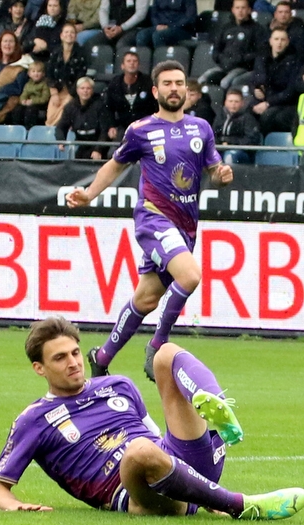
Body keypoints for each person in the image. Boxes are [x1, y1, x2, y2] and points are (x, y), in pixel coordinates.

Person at [0, 316, 304, 520]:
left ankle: (219, 405)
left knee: (164, 355)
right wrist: (14, 506)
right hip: (140, 494)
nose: (73, 363)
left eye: (74, 352)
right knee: (139, 451)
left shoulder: (118, 385)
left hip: (174, 462)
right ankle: (240, 505)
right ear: (39, 368)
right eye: (59, 358)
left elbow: (156, 435)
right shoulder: (34, 419)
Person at [67, 61, 234, 382]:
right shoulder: (141, 130)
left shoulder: (201, 128)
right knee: (191, 275)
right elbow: (114, 166)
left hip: (185, 227)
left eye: (180, 82)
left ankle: (101, 358)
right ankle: (158, 344)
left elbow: (215, 173)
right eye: (168, 83)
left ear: (188, 90)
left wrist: (223, 176)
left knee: (146, 298)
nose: (175, 88)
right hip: (153, 220)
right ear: (156, 91)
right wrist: (89, 194)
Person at [200, 0, 266, 90]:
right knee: (202, 80)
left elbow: (259, 53)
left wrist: (241, 59)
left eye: (243, 8)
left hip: (242, 67)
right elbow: (216, 50)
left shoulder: (257, 29)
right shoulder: (226, 27)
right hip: (223, 66)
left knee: (225, 82)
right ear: (233, 10)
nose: (240, 11)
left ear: (249, 10)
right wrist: (222, 59)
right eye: (237, 8)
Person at [252, 26, 303, 135]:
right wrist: (257, 87)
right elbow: (256, 77)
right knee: (246, 111)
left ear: (287, 42)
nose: (279, 43)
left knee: (267, 116)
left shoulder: (294, 62)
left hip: (283, 103)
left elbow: (290, 91)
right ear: (270, 41)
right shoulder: (263, 58)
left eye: (282, 39)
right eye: (276, 39)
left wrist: (268, 103)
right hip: (265, 99)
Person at [56, 75, 112, 158]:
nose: (85, 91)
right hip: (81, 145)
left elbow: (104, 131)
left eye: (88, 88)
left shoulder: (100, 105)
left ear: (92, 90)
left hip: (98, 145)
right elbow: (61, 126)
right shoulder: (70, 107)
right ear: (77, 90)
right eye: (82, 88)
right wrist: (61, 141)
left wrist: (98, 150)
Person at [44, 21, 87, 127]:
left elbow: (81, 75)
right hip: (57, 91)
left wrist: (71, 95)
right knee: (50, 117)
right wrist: (54, 94)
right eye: (66, 32)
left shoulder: (81, 52)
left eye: (72, 32)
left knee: (64, 114)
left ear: (76, 36)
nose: (69, 35)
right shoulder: (55, 52)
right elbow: (49, 73)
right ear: (61, 36)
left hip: (73, 92)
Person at [104, 50, 154, 139]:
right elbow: (109, 108)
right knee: (115, 152)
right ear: (122, 66)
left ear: (139, 65)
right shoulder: (115, 84)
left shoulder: (147, 82)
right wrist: (111, 126)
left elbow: (155, 106)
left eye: (135, 61)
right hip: (123, 127)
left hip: (145, 126)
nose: (132, 63)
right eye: (129, 61)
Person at [213, 88, 261, 163]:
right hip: (221, 149)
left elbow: (252, 140)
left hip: (241, 152)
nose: (233, 104)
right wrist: (221, 143)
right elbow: (213, 134)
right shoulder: (220, 116)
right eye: (230, 101)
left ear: (242, 103)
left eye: (236, 101)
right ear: (225, 102)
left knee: (230, 156)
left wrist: (230, 143)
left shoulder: (248, 118)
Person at [84, 0, 149, 48]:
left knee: (121, 45)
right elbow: (103, 10)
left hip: (133, 28)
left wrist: (122, 28)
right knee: (92, 43)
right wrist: (105, 27)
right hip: (111, 28)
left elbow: (141, 14)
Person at [14, 59, 50, 127]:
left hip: (39, 105)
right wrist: (23, 101)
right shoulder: (28, 84)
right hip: (29, 103)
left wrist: (33, 101)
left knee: (31, 110)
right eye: (33, 71)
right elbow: (24, 94)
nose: (36, 74)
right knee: (18, 109)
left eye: (39, 72)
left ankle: (29, 129)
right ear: (29, 74)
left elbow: (45, 98)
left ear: (43, 74)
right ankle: (18, 128)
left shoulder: (45, 84)